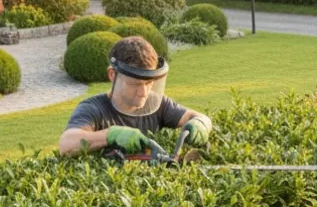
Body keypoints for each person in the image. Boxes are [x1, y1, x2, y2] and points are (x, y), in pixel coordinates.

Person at [58, 36, 211, 156]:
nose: (143, 92)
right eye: (134, 84)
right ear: (112, 74)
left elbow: (196, 116)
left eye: (148, 83)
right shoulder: (93, 109)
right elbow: (66, 144)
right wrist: (111, 135)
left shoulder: (156, 103)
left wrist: (201, 123)